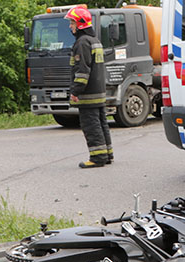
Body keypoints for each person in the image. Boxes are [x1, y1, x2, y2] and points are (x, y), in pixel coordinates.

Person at [66, 6, 113, 169]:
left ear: (79, 24)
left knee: (91, 125)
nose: (70, 26)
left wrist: (75, 91)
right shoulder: (94, 40)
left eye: (72, 23)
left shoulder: (82, 42)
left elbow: (82, 70)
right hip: (99, 91)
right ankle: (107, 154)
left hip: (88, 93)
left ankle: (97, 157)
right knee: (101, 123)